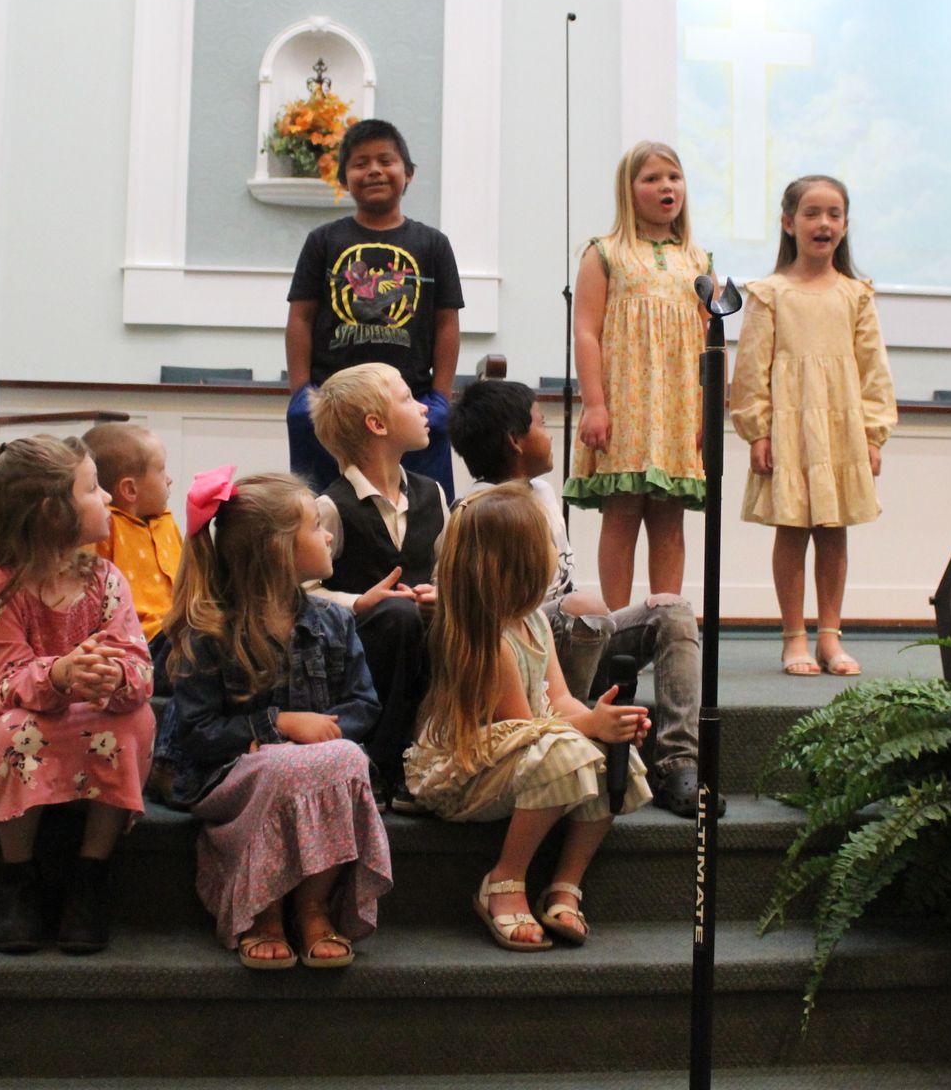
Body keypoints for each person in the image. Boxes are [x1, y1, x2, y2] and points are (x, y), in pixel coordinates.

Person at [448, 378, 718, 818]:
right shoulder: (477, 513)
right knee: (587, 609)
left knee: (671, 608)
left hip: (574, 643)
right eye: (540, 422)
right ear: (515, 441)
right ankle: (569, 746)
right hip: (524, 668)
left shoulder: (543, 493)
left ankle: (678, 762)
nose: (550, 432)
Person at [158, 468, 392, 969]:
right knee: (286, 767)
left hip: (315, 767)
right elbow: (195, 734)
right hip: (228, 774)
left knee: (345, 758)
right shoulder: (211, 631)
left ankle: (311, 904)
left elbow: (363, 705)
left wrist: (321, 738)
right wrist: (279, 725)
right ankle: (264, 908)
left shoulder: (335, 620)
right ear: (277, 549)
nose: (329, 535)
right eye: (315, 526)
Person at [404, 483, 651, 951]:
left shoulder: (534, 620)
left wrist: (604, 724)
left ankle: (565, 883)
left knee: (610, 754)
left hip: (526, 751)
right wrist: (587, 728)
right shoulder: (486, 638)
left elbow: (558, 701)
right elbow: (523, 730)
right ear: (515, 562)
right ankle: (504, 879)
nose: (555, 558)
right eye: (546, 548)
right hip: (465, 771)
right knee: (566, 752)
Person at [0, 435, 157, 955]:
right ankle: (17, 878)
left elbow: (137, 661)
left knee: (132, 721)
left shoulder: (106, 578)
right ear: (52, 510)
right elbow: (5, 680)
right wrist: (60, 676)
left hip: (96, 720)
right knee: (14, 731)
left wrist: (114, 679)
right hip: (33, 723)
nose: (108, 497)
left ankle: (91, 876)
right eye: (92, 489)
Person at [729, 175, 895, 677]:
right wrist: (757, 430)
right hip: (790, 427)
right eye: (811, 213)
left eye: (834, 214)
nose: (823, 223)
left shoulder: (856, 294)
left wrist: (872, 432)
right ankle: (792, 636)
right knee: (792, 528)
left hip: (841, 427)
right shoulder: (769, 293)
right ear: (788, 222)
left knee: (834, 529)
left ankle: (829, 635)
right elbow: (751, 369)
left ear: (845, 225)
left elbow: (873, 367)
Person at [563, 141, 713, 610]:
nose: (666, 186)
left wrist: (710, 411)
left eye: (673, 176)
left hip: (677, 410)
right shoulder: (605, 253)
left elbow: (713, 342)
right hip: (624, 405)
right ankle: (617, 628)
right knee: (622, 513)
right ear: (629, 190)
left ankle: (664, 621)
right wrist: (595, 403)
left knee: (670, 519)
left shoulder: (698, 260)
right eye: (651, 178)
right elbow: (586, 332)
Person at [286, 118, 465, 498]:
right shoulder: (323, 241)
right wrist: (301, 392)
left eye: (386, 160)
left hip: (411, 400)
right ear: (343, 179)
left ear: (409, 173)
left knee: (422, 511)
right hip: (331, 404)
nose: (374, 171)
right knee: (323, 510)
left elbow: (447, 323)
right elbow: (300, 318)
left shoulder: (433, 244)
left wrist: (439, 397)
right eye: (360, 163)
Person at [307, 361, 449, 803]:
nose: (424, 407)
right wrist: (356, 603)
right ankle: (386, 762)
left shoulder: (434, 494)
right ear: (377, 424)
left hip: (425, 638)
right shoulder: (330, 506)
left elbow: (447, 569)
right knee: (396, 616)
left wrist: (441, 596)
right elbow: (303, 595)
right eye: (408, 398)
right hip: (359, 654)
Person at [83, 422, 180, 695]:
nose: (169, 479)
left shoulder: (167, 523)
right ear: (130, 490)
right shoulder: (105, 527)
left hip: (179, 631)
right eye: (161, 471)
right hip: (142, 645)